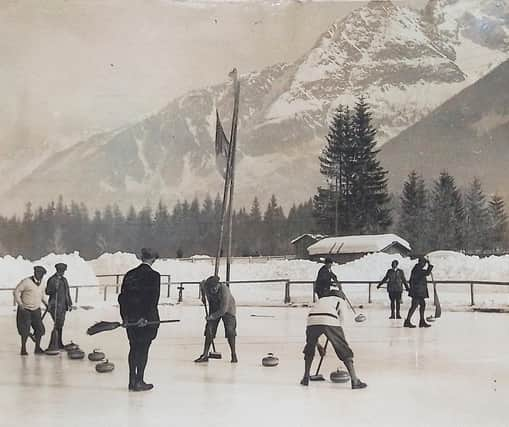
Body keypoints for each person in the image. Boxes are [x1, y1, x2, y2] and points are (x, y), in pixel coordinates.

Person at [300, 290, 367, 389]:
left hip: (311, 320)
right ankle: (355, 380)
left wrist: (318, 346)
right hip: (330, 319)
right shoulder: (341, 301)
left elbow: (316, 321)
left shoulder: (321, 300)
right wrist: (338, 338)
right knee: (344, 350)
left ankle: (305, 377)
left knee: (309, 348)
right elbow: (342, 321)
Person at [118, 248, 161, 392]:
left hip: (131, 320)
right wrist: (145, 318)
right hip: (146, 321)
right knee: (143, 349)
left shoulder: (130, 275)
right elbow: (152, 300)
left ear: (141, 257)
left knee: (133, 348)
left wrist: (124, 317)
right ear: (153, 259)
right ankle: (139, 380)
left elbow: (122, 298)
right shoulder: (154, 276)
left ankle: (132, 381)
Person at [194, 275, 238, 363]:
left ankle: (233, 354)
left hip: (228, 309)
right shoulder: (206, 286)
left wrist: (212, 317)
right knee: (209, 330)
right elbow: (202, 284)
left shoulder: (224, 291)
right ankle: (205, 354)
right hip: (214, 306)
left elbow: (223, 310)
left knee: (230, 331)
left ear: (218, 285)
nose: (212, 290)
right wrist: (203, 296)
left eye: (214, 288)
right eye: (210, 288)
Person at [13, 266, 47, 355]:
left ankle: (37, 348)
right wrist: (20, 304)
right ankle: (23, 349)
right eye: (39, 273)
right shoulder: (26, 281)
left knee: (39, 329)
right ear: (35, 273)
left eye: (42, 274)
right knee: (25, 330)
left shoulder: (42, 283)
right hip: (25, 310)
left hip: (36, 310)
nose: (41, 276)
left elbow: (41, 295)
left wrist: (46, 304)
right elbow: (16, 291)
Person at [45, 263, 73, 349]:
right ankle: (55, 343)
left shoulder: (64, 280)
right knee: (57, 324)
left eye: (63, 271)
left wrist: (69, 303)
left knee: (60, 324)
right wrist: (54, 288)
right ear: (58, 270)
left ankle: (59, 342)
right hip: (55, 305)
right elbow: (47, 291)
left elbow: (67, 292)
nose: (63, 272)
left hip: (63, 306)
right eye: (61, 271)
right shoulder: (52, 280)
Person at [404, 257, 434, 328]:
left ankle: (422, 321)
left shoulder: (418, 268)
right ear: (421, 262)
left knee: (422, 305)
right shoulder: (417, 269)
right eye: (424, 263)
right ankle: (407, 321)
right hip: (416, 291)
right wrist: (429, 265)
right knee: (414, 306)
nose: (424, 265)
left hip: (419, 291)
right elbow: (427, 273)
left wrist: (428, 265)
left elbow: (425, 273)